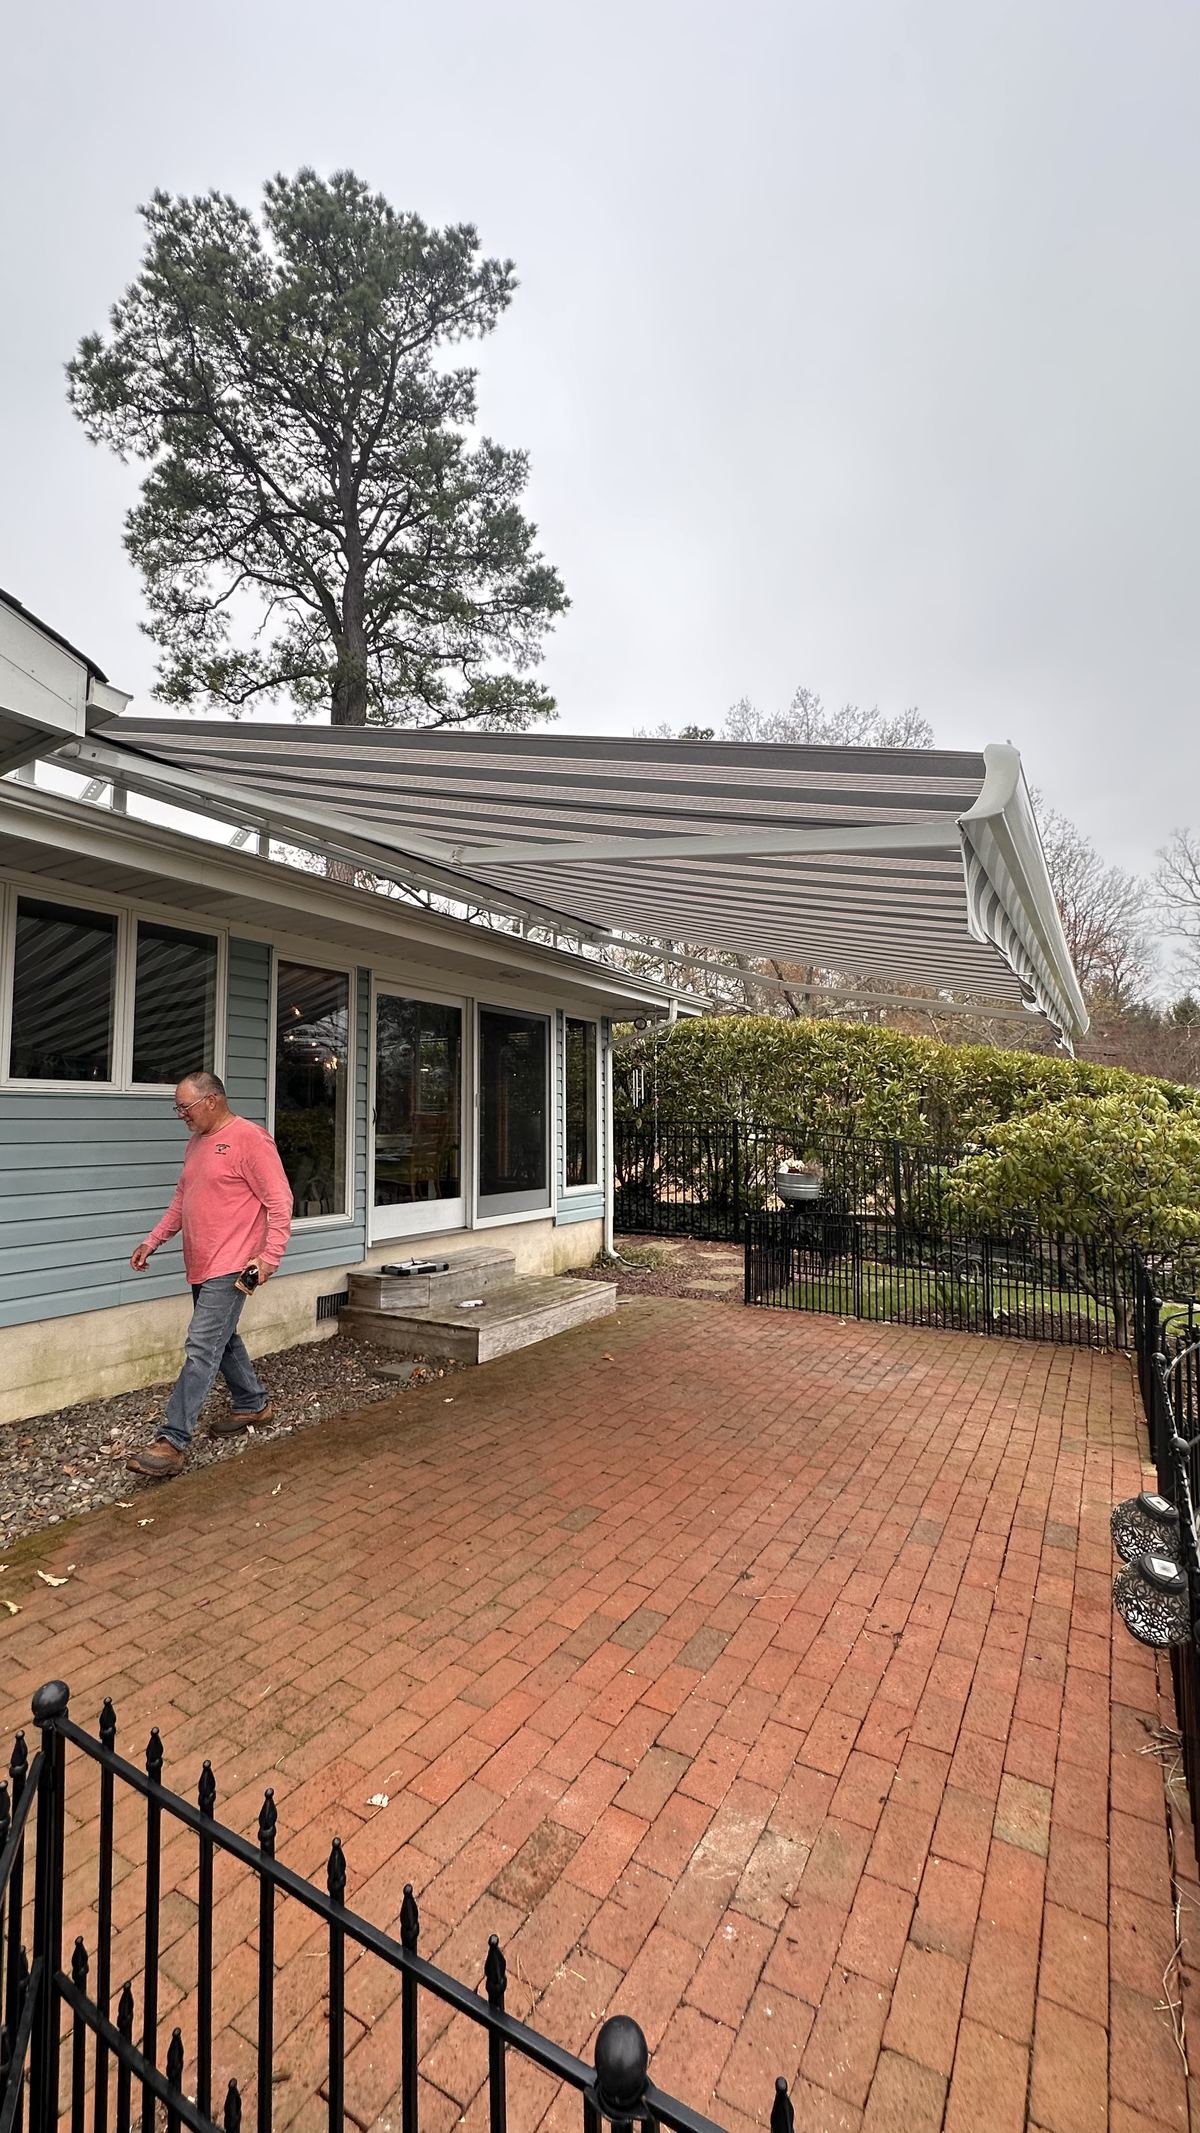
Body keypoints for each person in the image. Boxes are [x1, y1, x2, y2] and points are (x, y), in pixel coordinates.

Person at [127, 1071, 293, 1479]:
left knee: (201, 1345)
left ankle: (172, 1440)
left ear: (213, 1100)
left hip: (233, 1264)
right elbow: (182, 1200)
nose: (181, 1114)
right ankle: (252, 1403)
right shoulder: (196, 1144)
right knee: (222, 1338)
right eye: (178, 1107)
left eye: (185, 1106)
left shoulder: (251, 1139)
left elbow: (280, 1201)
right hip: (200, 1263)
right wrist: (153, 1240)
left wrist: (269, 1257)